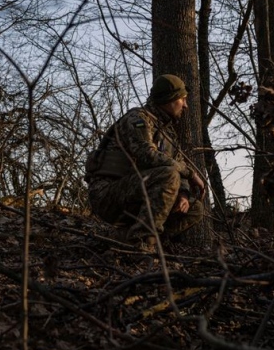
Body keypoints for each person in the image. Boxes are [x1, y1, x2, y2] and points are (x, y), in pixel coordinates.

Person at [84, 74, 205, 253]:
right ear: (169, 99)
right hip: (108, 195)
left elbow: (177, 162)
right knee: (168, 175)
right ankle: (142, 245)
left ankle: (127, 238)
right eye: (183, 99)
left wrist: (184, 194)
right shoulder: (137, 119)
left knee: (195, 209)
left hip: (136, 194)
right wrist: (190, 173)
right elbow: (147, 155)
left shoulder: (167, 133)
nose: (185, 105)